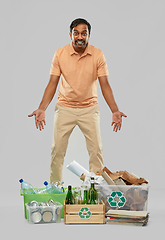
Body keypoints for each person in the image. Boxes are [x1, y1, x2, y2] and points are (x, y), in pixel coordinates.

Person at [28, 18, 127, 183]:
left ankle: (95, 191)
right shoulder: (60, 53)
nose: (80, 36)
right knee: (57, 150)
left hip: (89, 108)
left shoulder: (98, 54)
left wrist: (115, 110)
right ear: (70, 34)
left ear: (89, 35)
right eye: (76, 33)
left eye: (84, 33)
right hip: (65, 107)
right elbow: (52, 83)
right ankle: (56, 188)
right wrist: (42, 108)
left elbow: (105, 85)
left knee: (96, 150)